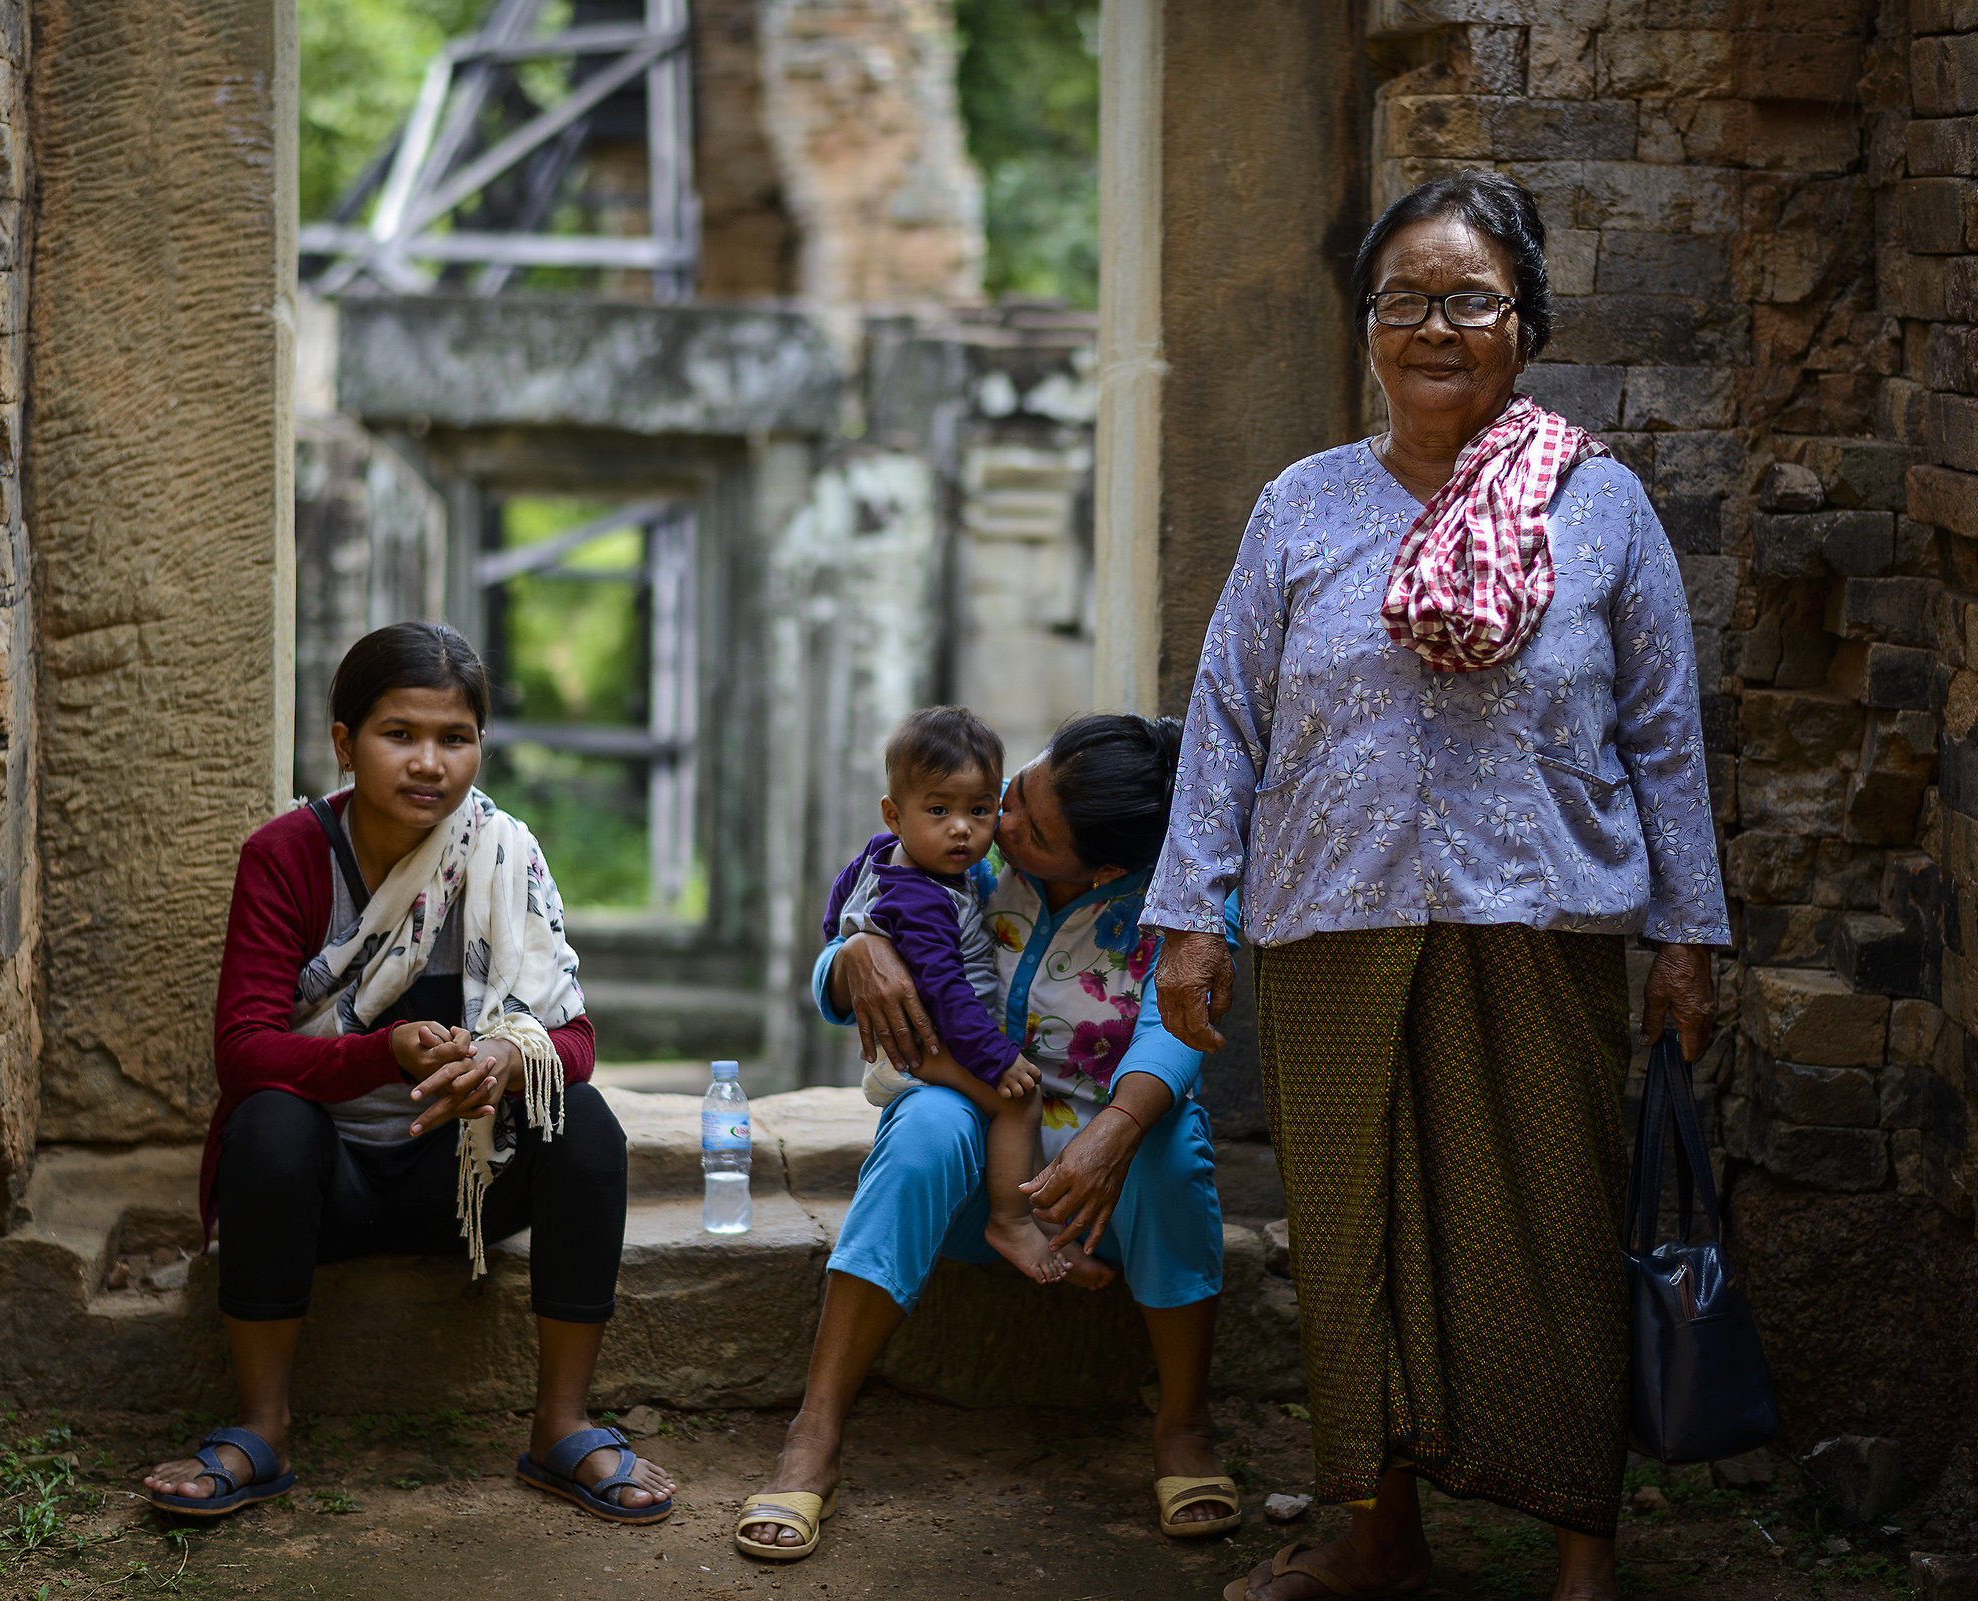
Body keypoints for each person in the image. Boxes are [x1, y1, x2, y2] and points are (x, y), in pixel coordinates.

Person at [1143, 171, 1730, 1601]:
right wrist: (1190, 918)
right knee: (1356, 1245)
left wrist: (1686, 935)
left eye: (1470, 298)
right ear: (1365, 327)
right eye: (1402, 299)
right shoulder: (1301, 505)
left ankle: (1581, 1552)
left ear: (1526, 321)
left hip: (1534, 922)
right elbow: (1226, 719)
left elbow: (1665, 731)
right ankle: (1380, 1535)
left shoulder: (1598, 506)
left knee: (1549, 1240)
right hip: (1331, 923)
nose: (1434, 328)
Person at [142, 622, 675, 1526]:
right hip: (327, 1187)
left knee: (584, 1120)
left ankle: (562, 1424)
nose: (429, 763)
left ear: (480, 747)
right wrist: (379, 1051)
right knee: (267, 1120)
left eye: (454, 737)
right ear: (345, 743)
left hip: (463, 1181)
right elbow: (242, 1050)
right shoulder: (287, 856)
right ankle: (262, 1427)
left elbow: (576, 1038)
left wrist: (509, 1060)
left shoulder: (502, 851)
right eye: (400, 734)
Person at [737, 714, 1245, 1561]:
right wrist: (853, 953)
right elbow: (846, 953)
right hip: (974, 1180)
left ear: (1104, 870)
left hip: (1095, 1200)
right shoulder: (965, 837)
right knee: (927, 1124)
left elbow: (1176, 1034)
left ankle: (1184, 1424)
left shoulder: (1185, 897)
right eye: (1015, 794)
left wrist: (1113, 1132)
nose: (999, 825)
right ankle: (814, 1431)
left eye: (1031, 829)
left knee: (1167, 1141)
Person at [822, 706, 1089, 1287]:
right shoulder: (922, 901)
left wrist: (850, 933)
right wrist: (995, 1058)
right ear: (895, 814)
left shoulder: (884, 854)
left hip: (925, 1040)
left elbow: (842, 900)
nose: (961, 828)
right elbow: (945, 991)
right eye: (939, 810)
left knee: (1011, 1098)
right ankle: (1011, 1222)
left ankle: (1041, 1223)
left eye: (980, 810)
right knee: (1020, 1099)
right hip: (927, 1044)